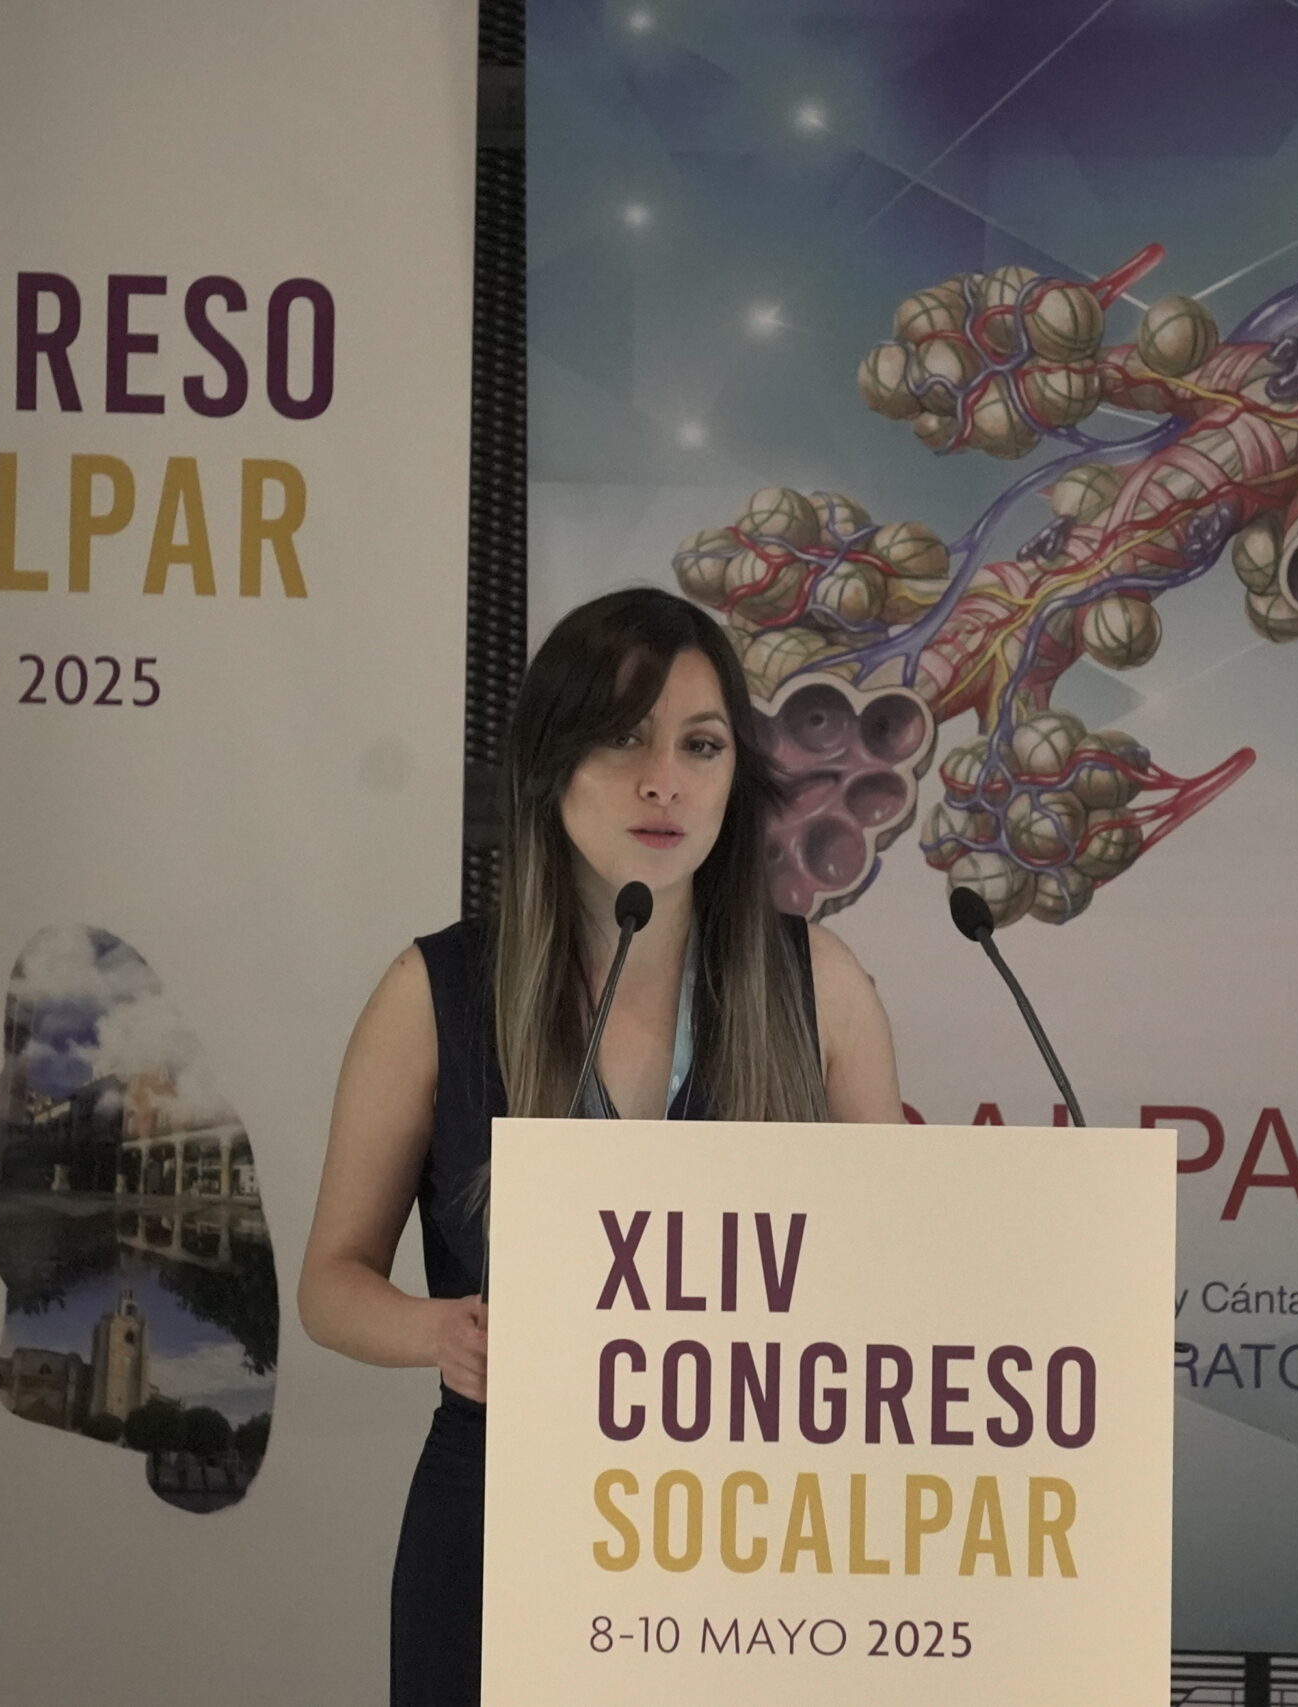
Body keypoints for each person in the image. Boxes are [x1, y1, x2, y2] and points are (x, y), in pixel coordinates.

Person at [296, 586, 903, 1706]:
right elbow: (330, 1285)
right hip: (500, 1524)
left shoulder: (821, 986)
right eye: (624, 737)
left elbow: (894, 1283)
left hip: (761, 1544)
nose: (663, 779)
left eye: (701, 744)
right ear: (549, 760)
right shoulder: (434, 992)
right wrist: (444, 1331)